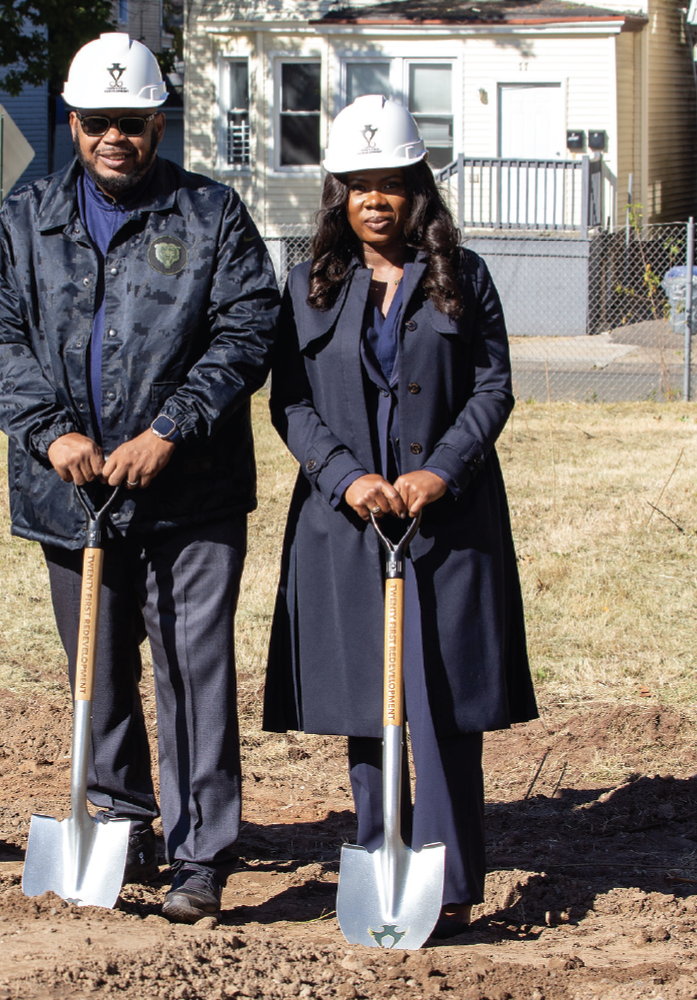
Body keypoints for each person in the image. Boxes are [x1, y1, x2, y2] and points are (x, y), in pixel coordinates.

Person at [0, 32, 280, 922]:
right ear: (72, 123)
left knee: (193, 672)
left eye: (133, 123)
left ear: (158, 126)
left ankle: (200, 851)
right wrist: (50, 433)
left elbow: (249, 330)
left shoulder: (211, 215)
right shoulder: (26, 218)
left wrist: (169, 430)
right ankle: (122, 821)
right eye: (99, 121)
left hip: (191, 495)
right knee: (98, 673)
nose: (116, 137)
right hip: (71, 495)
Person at [263, 94, 537, 938]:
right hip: (348, 524)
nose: (375, 201)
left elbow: (493, 387)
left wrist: (439, 472)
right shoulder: (309, 285)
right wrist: (345, 477)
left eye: (392, 184)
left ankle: (448, 881)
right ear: (338, 196)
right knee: (367, 700)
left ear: (419, 190)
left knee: (442, 701)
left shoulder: (465, 277)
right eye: (359, 186)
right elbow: (290, 402)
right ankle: (382, 854)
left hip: (445, 524)